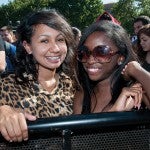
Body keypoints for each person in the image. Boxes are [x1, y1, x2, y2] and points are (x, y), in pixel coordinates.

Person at [0, 9, 78, 142]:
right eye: (44, 41)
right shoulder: (6, 85)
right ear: (28, 46)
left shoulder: (74, 83)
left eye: (60, 39)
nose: (56, 49)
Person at [73, 20, 145, 114]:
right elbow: (78, 129)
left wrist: (136, 70)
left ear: (120, 58)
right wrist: (114, 113)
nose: (90, 61)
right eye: (84, 52)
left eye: (101, 52)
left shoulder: (135, 92)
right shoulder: (82, 93)